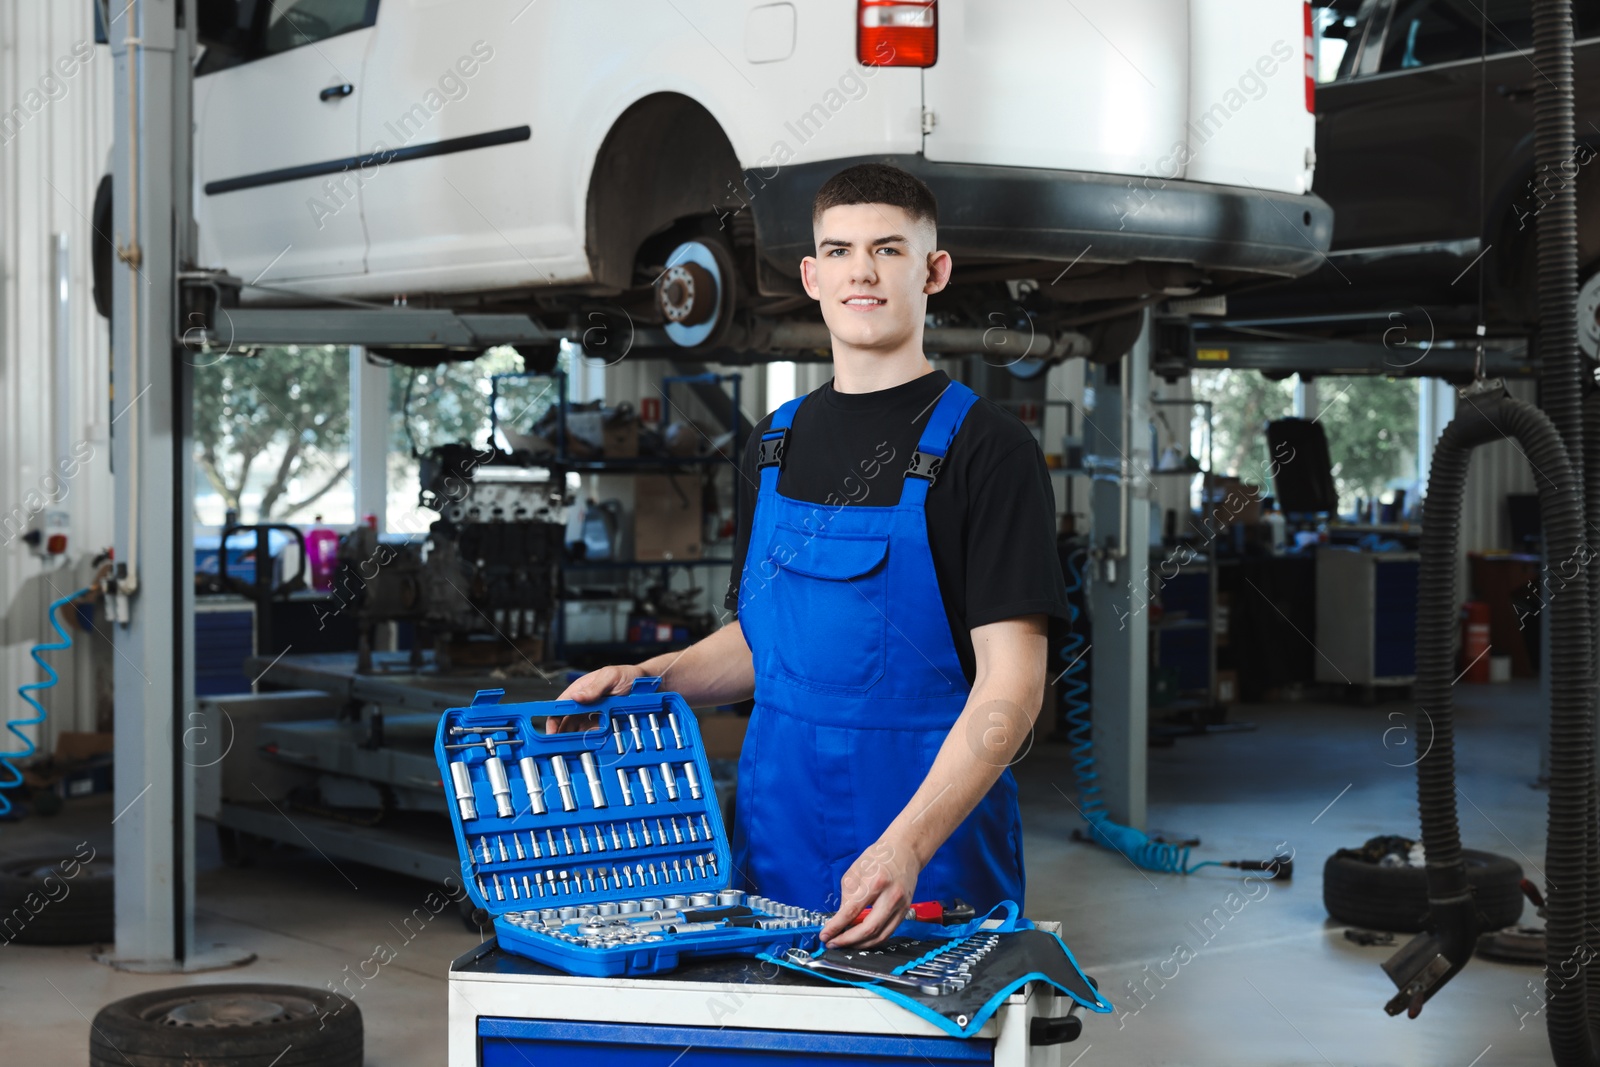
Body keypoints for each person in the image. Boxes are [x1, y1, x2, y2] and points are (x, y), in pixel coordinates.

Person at [551, 162, 1068, 948]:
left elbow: (1013, 687)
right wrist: (653, 678)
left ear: (934, 271)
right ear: (813, 274)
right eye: (840, 249)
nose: (862, 270)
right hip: (776, 846)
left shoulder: (988, 450)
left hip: (931, 864)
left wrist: (908, 844)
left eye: (889, 250)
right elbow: (764, 645)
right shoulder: (774, 444)